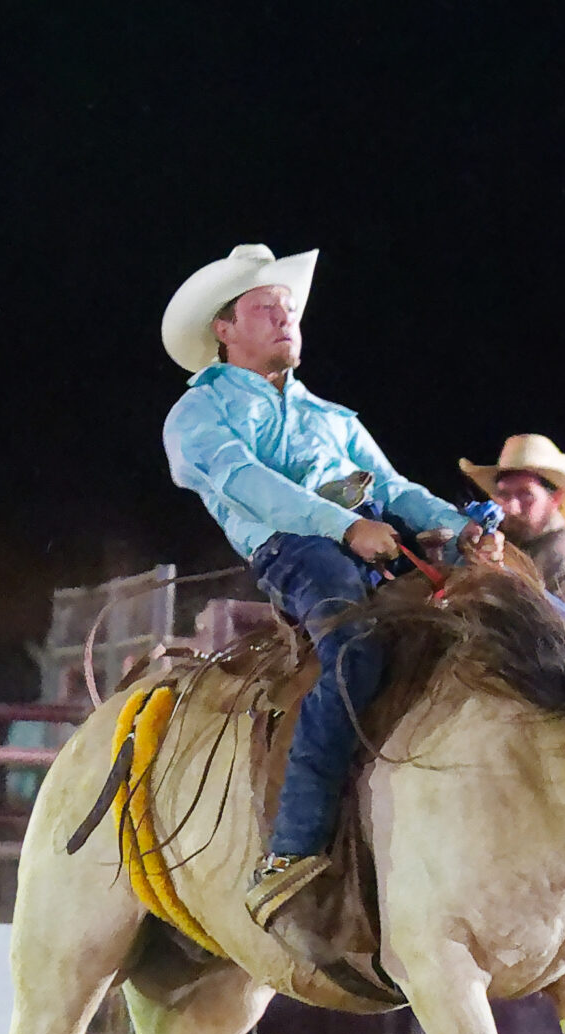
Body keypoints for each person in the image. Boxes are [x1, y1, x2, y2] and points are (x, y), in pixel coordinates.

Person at [160, 244, 502, 930]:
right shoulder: (200, 413)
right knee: (355, 650)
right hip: (296, 552)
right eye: (266, 308)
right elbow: (246, 482)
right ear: (224, 329)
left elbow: (394, 487)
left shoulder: (333, 417)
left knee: (505, 619)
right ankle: (293, 845)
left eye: (289, 309)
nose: (285, 318)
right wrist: (344, 527)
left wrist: (460, 525)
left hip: (364, 541)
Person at [459, 434, 565, 615]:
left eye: (526, 495)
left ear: (555, 498)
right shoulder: (511, 543)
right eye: (504, 495)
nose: (512, 508)